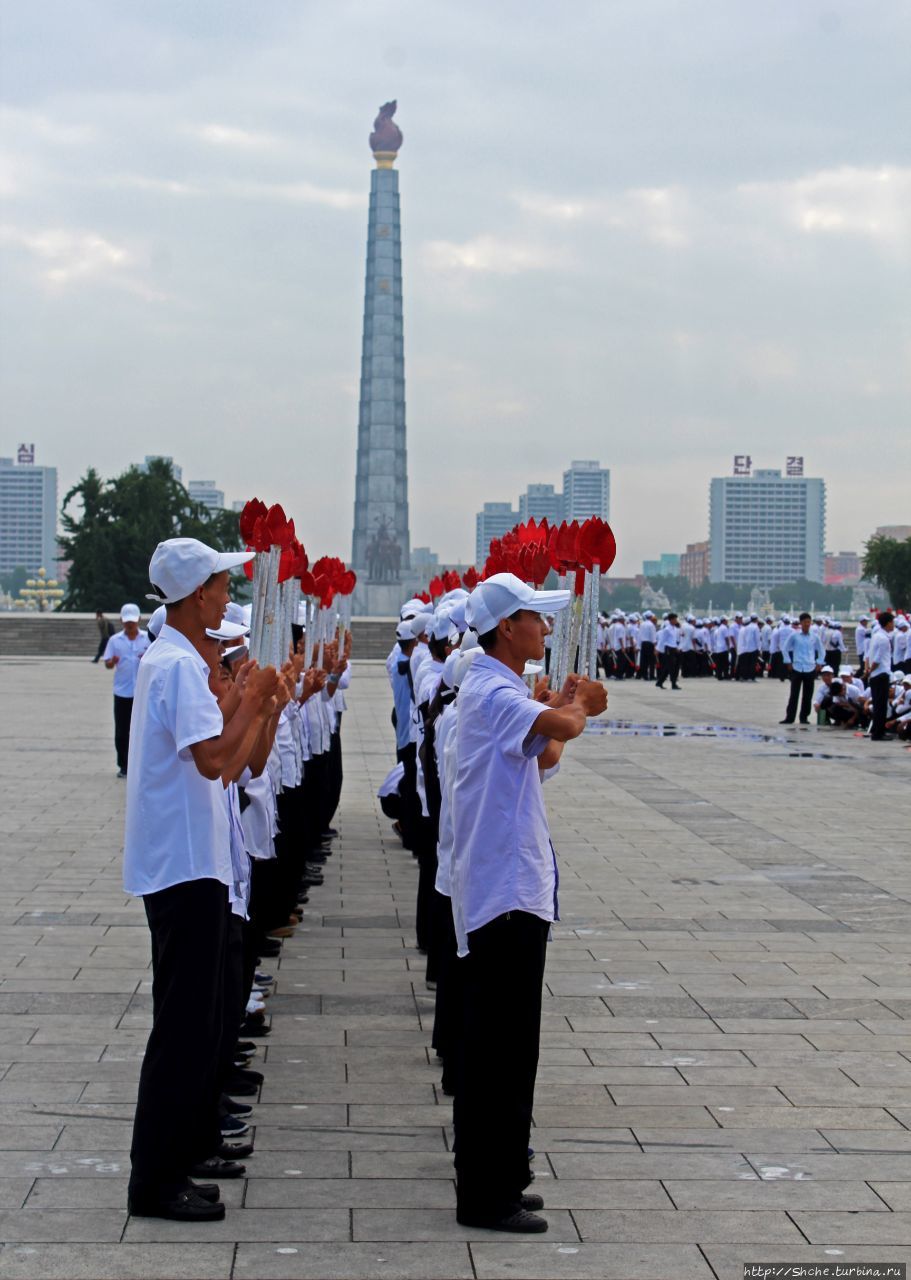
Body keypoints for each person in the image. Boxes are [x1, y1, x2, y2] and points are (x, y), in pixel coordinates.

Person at [124, 537, 279, 1222]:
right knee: (183, 1029)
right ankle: (155, 1180)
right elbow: (214, 757)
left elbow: (236, 762)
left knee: (200, 1022)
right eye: (219, 585)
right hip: (183, 867)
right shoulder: (176, 665)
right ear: (196, 597)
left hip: (197, 862)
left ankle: (180, 1158)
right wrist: (253, 700)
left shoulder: (180, 661)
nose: (224, 596)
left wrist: (258, 706)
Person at [449, 572, 607, 1234]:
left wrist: (568, 708)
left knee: (513, 1049)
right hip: (503, 893)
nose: (545, 629)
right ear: (506, 627)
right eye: (535, 620)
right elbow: (561, 725)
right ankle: (487, 1194)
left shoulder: (502, 690)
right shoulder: (488, 688)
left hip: (512, 887)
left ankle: (504, 1175)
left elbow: (543, 754)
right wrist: (581, 705)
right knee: (499, 1051)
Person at [103, 604, 151, 777]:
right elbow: (107, 663)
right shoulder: (115, 640)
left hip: (141, 692)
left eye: (132, 621)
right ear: (122, 621)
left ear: (138, 620)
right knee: (121, 730)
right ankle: (123, 765)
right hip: (122, 692)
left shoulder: (147, 639)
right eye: (126, 622)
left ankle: (140, 764)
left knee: (141, 730)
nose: (130, 625)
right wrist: (111, 662)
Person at [780, 612, 825, 725]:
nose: (807, 624)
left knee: (807, 695)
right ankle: (789, 717)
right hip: (797, 667)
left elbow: (821, 650)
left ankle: (804, 717)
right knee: (794, 694)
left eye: (809, 622)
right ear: (801, 623)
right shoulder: (794, 635)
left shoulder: (814, 636)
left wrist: (819, 663)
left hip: (810, 668)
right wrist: (788, 661)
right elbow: (785, 648)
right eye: (805, 622)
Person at [865, 611, 895, 740]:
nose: (893, 625)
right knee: (881, 705)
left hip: (876, 675)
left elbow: (869, 656)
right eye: (892, 622)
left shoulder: (876, 635)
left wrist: (868, 671)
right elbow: (877, 659)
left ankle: (876, 731)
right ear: (888, 623)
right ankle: (878, 733)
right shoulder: (883, 638)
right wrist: (871, 670)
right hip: (881, 673)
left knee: (878, 704)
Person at [655, 613, 681, 689]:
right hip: (668, 649)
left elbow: (673, 640)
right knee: (672, 667)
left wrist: (676, 648)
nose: (676, 620)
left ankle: (659, 682)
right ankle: (673, 684)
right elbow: (662, 640)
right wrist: (658, 649)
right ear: (671, 620)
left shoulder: (674, 629)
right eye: (675, 619)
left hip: (673, 648)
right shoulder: (667, 629)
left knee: (668, 667)